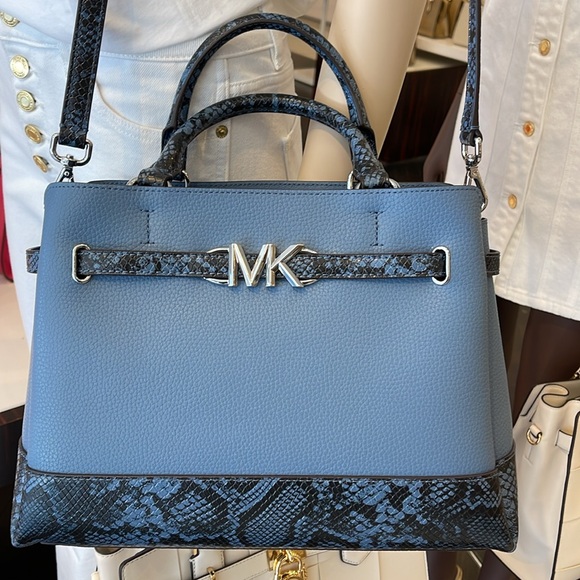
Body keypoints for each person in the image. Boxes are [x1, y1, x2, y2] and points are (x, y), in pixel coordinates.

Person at [0, 0, 426, 578]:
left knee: (229, 503)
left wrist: (318, 216)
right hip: (28, 91)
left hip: (181, 105)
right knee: (88, 486)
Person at [445, 0, 580, 577]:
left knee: (554, 443)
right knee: (451, 428)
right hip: (488, 133)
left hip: (570, 181)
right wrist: (457, 111)